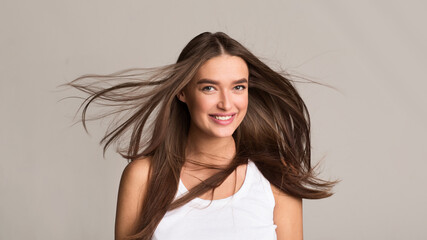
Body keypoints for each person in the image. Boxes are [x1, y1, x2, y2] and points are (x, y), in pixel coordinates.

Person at [69, 32, 336, 240]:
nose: (226, 104)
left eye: (238, 87)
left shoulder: (275, 177)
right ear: (183, 92)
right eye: (209, 88)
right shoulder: (144, 177)